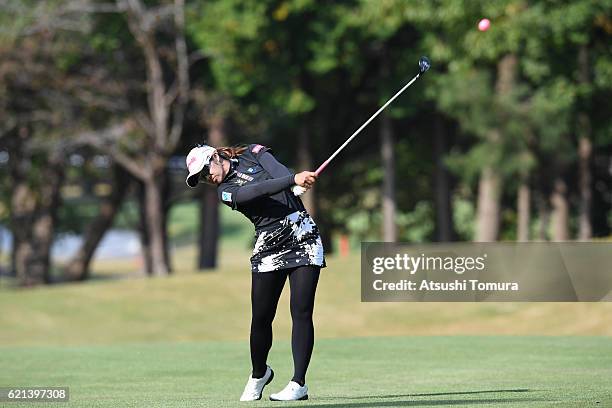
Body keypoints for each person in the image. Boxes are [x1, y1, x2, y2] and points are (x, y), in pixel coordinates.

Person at [185, 143, 326, 401]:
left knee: (302, 311)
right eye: (201, 179)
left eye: (206, 171)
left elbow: (276, 170)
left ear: (215, 156)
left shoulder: (254, 152)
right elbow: (255, 191)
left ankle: (298, 383)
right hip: (270, 245)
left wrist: (293, 185)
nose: (207, 179)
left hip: (303, 236)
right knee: (261, 317)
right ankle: (259, 373)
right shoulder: (225, 192)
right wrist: (292, 180)